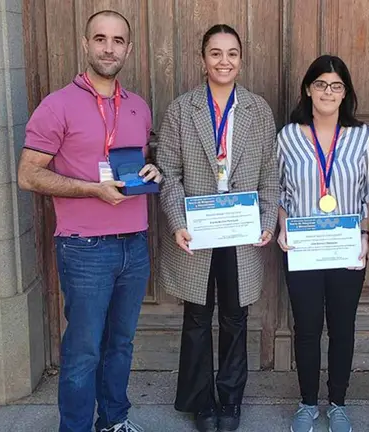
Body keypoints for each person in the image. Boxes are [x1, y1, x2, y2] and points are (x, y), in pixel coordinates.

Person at [17, 10, 159, 432]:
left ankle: (114, 420)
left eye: (118, 41)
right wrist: (91, 189)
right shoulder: (57, 104)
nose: (109, 48)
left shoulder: (138, 107)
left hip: (134, 243)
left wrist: (152, 173)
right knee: (82, 351)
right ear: (85, 44)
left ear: (128, 49)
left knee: (121, 344)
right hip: (84, 248)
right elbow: (28, 175)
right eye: (100, 38)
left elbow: (135, 167)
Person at [155, 24, 279, 432]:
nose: (224, 61)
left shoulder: (257, 110)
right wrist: (177, 223)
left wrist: (265, 222)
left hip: (241, 233)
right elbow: (170, 174)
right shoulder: (182, 109)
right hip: (198, 230)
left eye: (232, 53)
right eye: (215, 53)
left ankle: (230, 400)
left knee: (235, 318)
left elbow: (270, 176)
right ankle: (200, 401)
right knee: (196, 317)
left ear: (241, 59)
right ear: (202, 58)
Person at [275, 55, 369, 432]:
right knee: (307, 327)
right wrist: (283, 226)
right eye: (320, 84)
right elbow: (279, 189)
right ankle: (306, 403)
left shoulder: (362, 137)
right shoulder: (288, 136)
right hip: (302, 250)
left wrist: (365, 235)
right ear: (308, 89)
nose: (327, 92)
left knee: (343, 327)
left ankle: (339, 403)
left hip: (348, 248)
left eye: (336, 86)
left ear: (345, 92)